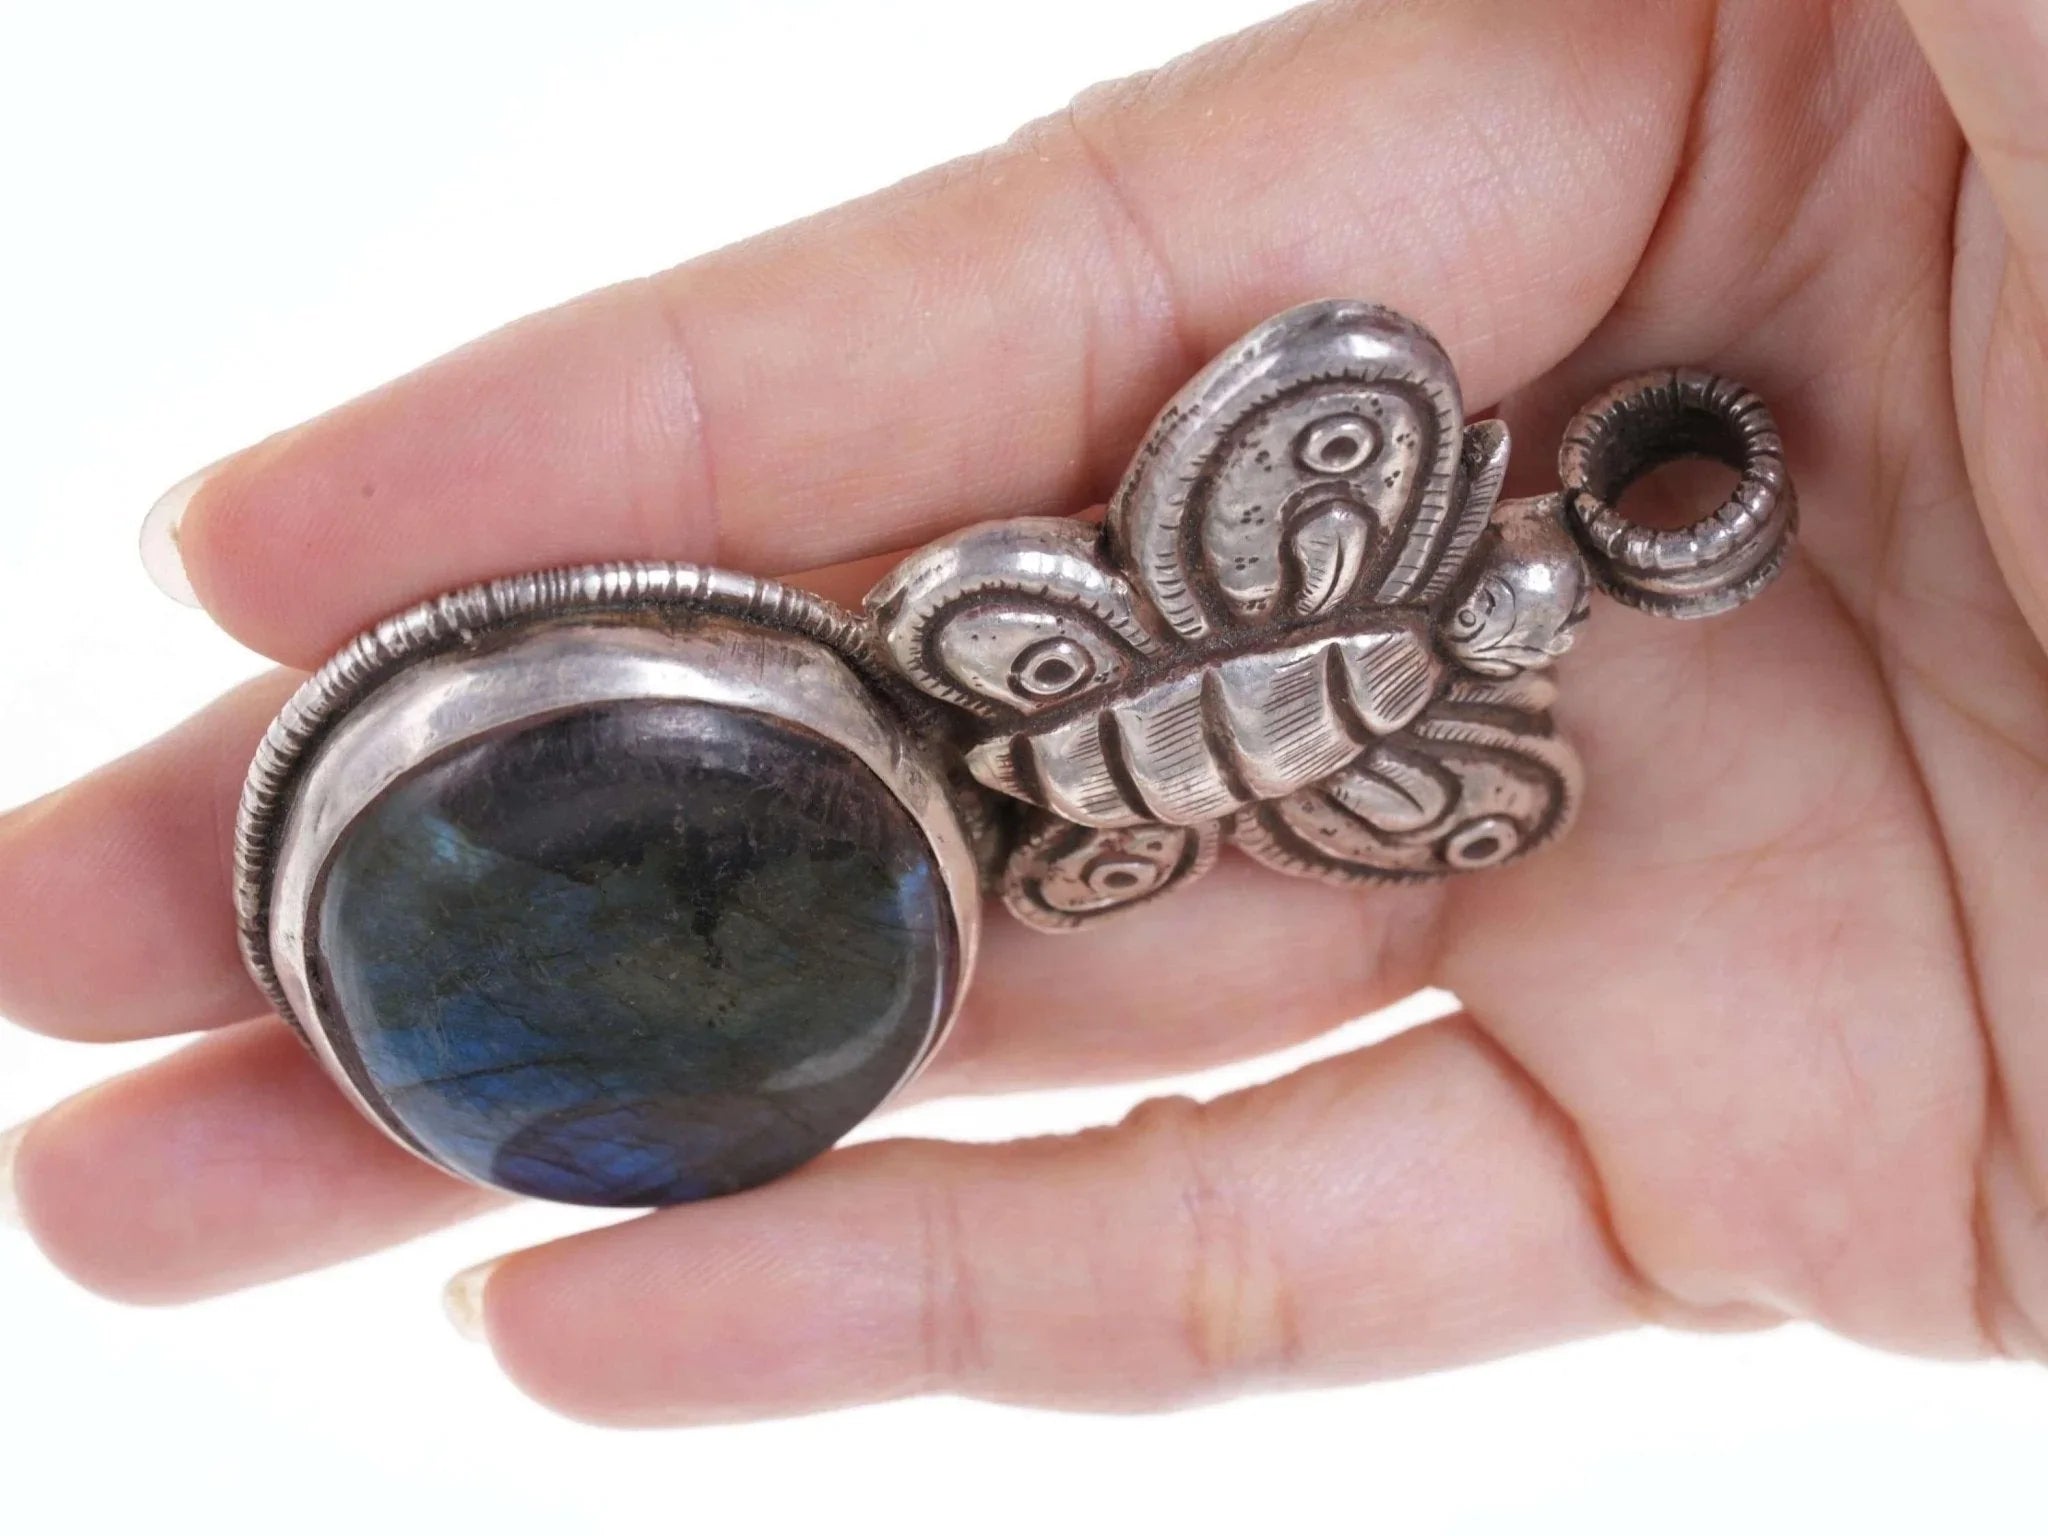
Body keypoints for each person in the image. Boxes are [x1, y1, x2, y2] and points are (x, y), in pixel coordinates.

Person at [1, 0, 2044, 1426]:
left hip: (1032, 735)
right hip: (994, 747)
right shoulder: (1369, 582)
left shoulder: (1402, 684)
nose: (1527, 602)